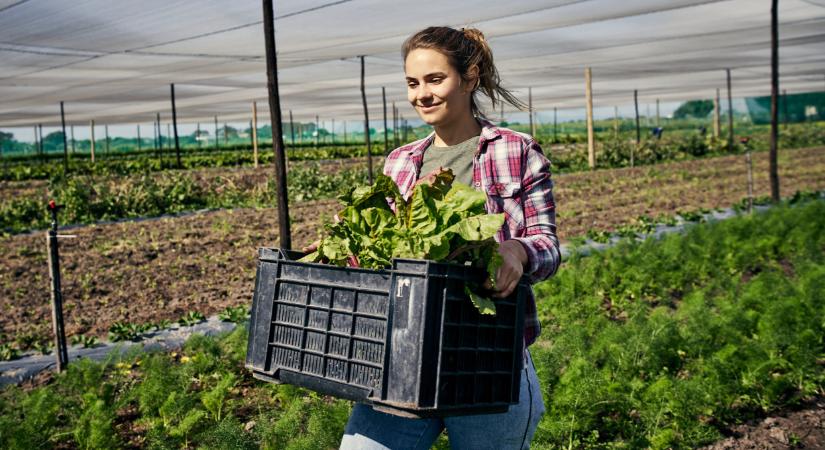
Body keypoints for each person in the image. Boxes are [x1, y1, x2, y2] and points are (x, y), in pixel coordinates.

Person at [339, 26, 560, 450]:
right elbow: (386, 256)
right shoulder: (400, 162)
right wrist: (354, 249)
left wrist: (516, 250)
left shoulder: (515, 151)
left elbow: (547, 246)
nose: (421, 93)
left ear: (470, 77)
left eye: (435, 79)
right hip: (403, 356)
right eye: (412, 83)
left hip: (486, 359)